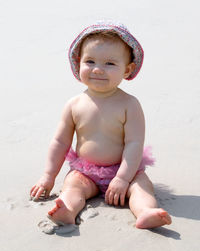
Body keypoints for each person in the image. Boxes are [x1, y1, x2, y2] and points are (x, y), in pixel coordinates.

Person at [30, 21, 172, 229]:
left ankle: (145, 211)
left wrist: (123, 179)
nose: (97, 69)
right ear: (78, 64)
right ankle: (67, 210)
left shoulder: (129, 105)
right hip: (85, 171)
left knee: (141, 187)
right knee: (72, 187)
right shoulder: (74, 104)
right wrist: (48, 176)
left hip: (124, 170)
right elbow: (60, 142)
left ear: (128, 69)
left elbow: (134, 144)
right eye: (90, 61)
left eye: (110, 64)